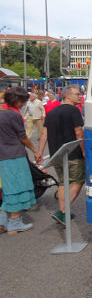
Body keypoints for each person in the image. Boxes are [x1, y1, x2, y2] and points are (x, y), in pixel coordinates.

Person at [37, 85, 85, 225]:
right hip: (73, 154)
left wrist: (40, 152)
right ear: (67, 96)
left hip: (56, 154)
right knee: (78, 181)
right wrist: (83, 150)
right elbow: (78, 133)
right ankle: (63, 211)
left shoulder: (51, 112)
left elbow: (44, 133)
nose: (80, 96)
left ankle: (63, 213)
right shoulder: (74, 111)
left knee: (63, 182)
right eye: (77, 94)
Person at [0, 87, 41, 234]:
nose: (24, 103)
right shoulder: (13, 115)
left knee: (7, 189)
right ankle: (15, 222)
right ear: (17, 101)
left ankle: (3, 220)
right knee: (18, 187)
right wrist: (35, 150)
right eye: (23, 100)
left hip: (2, 156)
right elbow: (22, 137)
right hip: (14, 155)